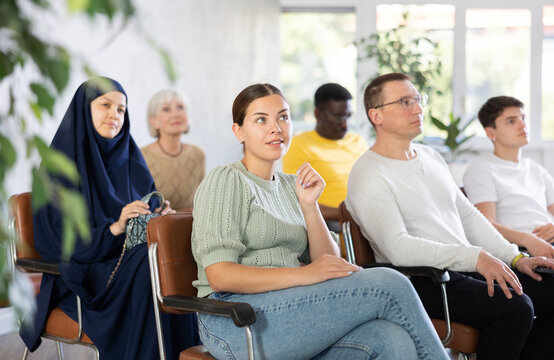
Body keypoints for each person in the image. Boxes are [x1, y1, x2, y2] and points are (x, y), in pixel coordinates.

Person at [191, 83, 449, 360]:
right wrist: (304, 275)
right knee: (389, 283)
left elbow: (328, 264)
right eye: (261, 120)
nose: (276, 128)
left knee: (391, 339)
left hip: (290, 309)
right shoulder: (226, 180)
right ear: (238, 131)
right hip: (235, 320)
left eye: (283, 116)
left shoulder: (292, 186)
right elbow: (219, 276)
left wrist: (309, 206)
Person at [346, 73, 554, 360]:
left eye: (418, 100)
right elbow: (398, 247)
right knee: (515, 308)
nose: (417, 109)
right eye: (405, 102)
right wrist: (476, 258)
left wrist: (516, 258)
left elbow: (469, 217)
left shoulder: (431, 157)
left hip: (464, 269)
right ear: (376, 116)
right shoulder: (368, 174)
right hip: (424, 279)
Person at [21, 78, 199, 359]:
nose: (114, 115)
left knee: (165, 254)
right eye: (105, 105)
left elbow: (144, 222)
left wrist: (158, 220)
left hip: (128, 262)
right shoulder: (57, 167)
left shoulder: (131, 158)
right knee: (151, 262)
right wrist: (114, 228)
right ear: (84, 109)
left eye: (121, 110)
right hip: (83, 274)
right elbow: (55, 240)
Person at [463, 96, 554, 258]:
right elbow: (485, 225)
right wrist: (528, 240)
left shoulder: (535, 169)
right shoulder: (481, 168)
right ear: (491, 132)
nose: (523, 125)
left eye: (523, 118)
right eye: (511, 121)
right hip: (523, 252)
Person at [282, 83, 367, 232]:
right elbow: (294, 202)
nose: (345, 124)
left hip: (365, 217)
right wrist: (347, 214)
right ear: (318, 113)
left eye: (348, 116)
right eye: (338, 116)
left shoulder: (358, 142)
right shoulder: (299, 145)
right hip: (331, 223)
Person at [141, 89, 205, 210]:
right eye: (166, 109)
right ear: (153, 121)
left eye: (180, 107)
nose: (176, 114)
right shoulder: (141, 156)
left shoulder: (198, 154)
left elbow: (201, 204)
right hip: (155, 227)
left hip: (191, 226)